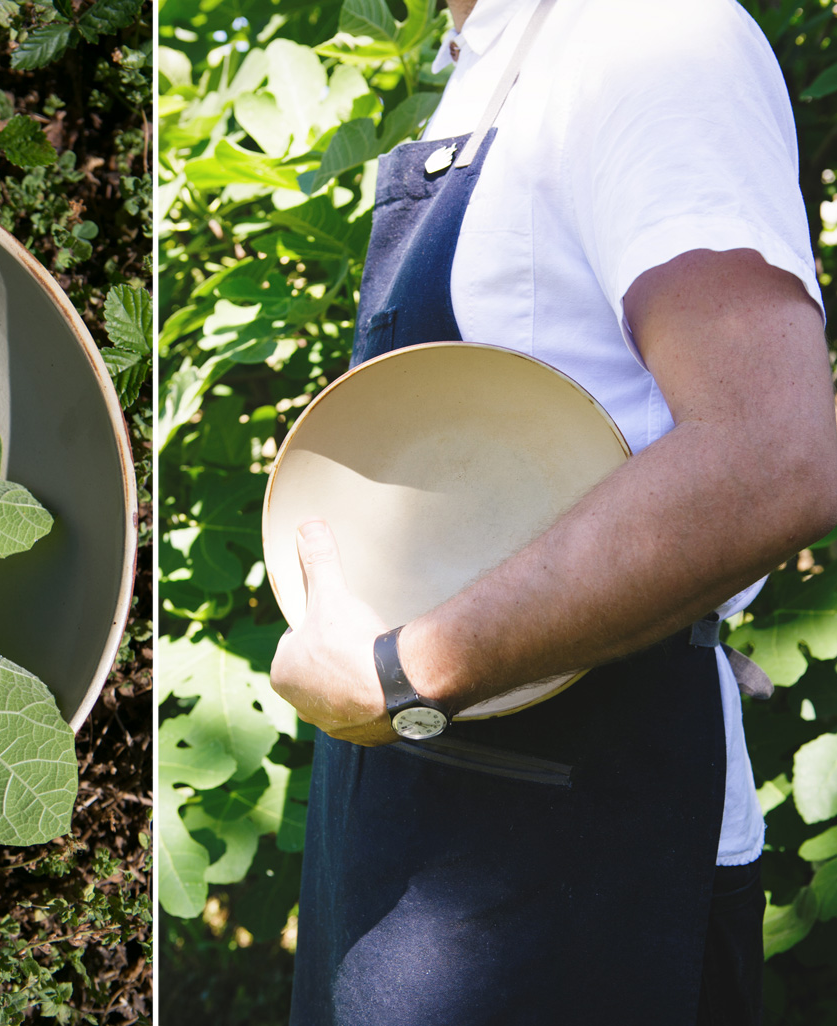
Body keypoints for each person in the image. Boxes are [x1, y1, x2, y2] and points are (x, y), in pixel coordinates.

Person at [268, 0, 837, 1023]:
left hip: (571, 851)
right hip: (421, 808)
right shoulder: (491, 64)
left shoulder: (652, 39)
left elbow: (770, 454)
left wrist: (401, 672)